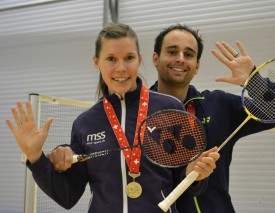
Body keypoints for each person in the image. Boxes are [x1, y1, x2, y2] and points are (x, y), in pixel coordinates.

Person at [6, 23, 220, 213]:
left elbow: (186, 181)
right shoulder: (85, 123)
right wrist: (35, 158)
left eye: (129, 58)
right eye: (111, 59)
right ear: (96, 62)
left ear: (139, 60)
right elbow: (68, 196)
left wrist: (194, 174)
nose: (121, 68)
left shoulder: (170, 108)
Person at [150, 24, 275, 213]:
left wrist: (253, 80)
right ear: (155, 58)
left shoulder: (218, 104)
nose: (180, 59)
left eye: (189, 54)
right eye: (172, 51)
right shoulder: (137, 113)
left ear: (197, 66)